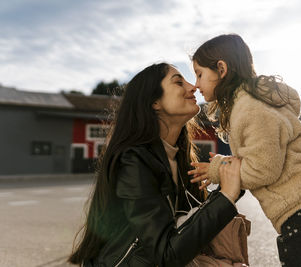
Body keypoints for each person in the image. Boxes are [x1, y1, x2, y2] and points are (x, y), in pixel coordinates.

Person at [68, 62, 243, 267]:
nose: (193, 86)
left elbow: (193, 225)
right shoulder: (132, 161)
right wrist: (226, 196)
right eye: (179, 82)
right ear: (154, 102)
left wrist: (228, 177)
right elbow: (166, 254)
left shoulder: (181, 158)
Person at [189, 34, 301, 267]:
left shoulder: (250, 108)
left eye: (199, 74)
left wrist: (219, 170)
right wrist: (221, 165)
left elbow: (262, 169)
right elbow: (260, 156)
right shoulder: (250, 104)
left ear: (221, 69)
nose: (196, 84)